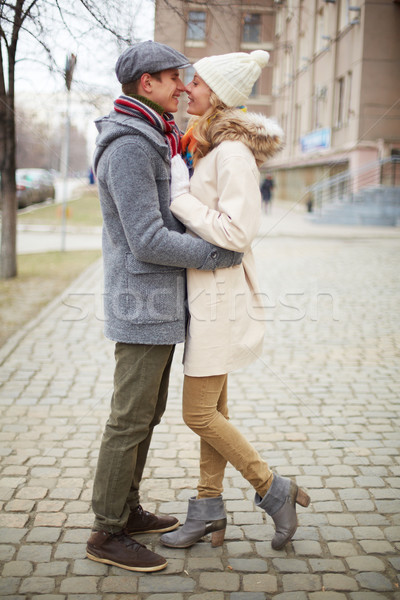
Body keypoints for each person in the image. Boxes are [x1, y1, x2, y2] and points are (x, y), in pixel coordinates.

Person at [86, 41, 242, 573]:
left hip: (157, 302)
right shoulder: (130, 146)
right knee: (128, 419)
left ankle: (125, 512)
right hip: (141, 302)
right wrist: (217, 251)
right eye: (174, 77)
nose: (183, 85)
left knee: (144, 417)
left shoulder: (155, 136)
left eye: (185, 77)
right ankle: (106, 532)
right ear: (145, 84)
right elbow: (147, 238)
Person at [160, 50, 310, 552]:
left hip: (220, 300)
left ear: (218, 95)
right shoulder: (209, 147)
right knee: (215, 412)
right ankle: (208, 512)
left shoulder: (232, 154)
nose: (187, 90)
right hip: (205, 295)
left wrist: (180, 197)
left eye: (196, 83)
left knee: (198, 414)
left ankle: (272, 487)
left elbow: (239, 231)